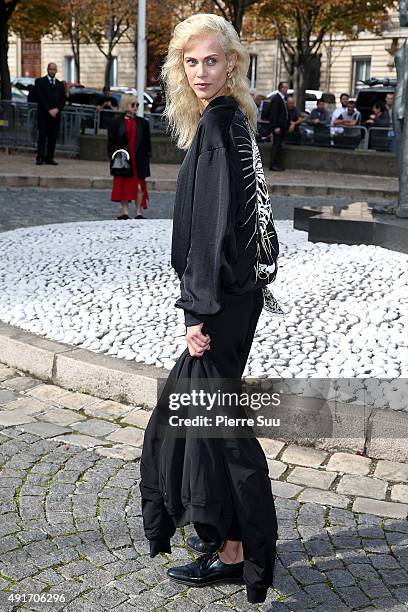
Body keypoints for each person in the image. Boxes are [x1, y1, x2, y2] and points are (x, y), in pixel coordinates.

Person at [139, 13, 279, 605]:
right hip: (234, 298)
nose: (201, 72)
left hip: (219, 302)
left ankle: (242, 552)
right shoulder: (231, 120)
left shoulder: (222, 127)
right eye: (190, 62)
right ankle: (229, 545)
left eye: (211, 61)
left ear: (232, 64)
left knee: (212, 428)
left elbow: (210, 230)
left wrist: (195, 312)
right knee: (204, 423)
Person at [107, 94, 151, 219]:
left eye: (137, 105)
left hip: (139, 159)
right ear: (126, 105)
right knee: (123, 184)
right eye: (133, 105)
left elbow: (147, 142)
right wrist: (112, 156)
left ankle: (138, 212)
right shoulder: (116, 122)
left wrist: (147, 157)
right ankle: (125, 212)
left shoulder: (143, 123)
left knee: (139, 186)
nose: (136, 107)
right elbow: (111, 141)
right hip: (123, 158)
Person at [34, 62, 66, 165]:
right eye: (51, 69)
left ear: (56, 71)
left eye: (54, 69)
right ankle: (40, 158)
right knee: (42, 137)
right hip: (44, 115)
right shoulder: (40, 82)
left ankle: (49, 158)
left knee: (52, 138)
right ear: (47, 69)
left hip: (55, 116)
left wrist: (57, 109)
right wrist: (48, 110)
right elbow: (40, 97)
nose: (52, 71)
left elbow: (63, 100)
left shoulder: (60, 85)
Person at [267, 80, 289, 170]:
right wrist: (276, 126)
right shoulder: (276, 98)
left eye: (287, 87)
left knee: (279, 146)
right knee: (276, 145)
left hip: (282, 126)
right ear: (280, 88)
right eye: (284, 87)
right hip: (278, 127)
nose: (286, 89)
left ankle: (277, 164)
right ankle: (273, 164)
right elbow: (274, 114)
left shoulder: (283, 98)